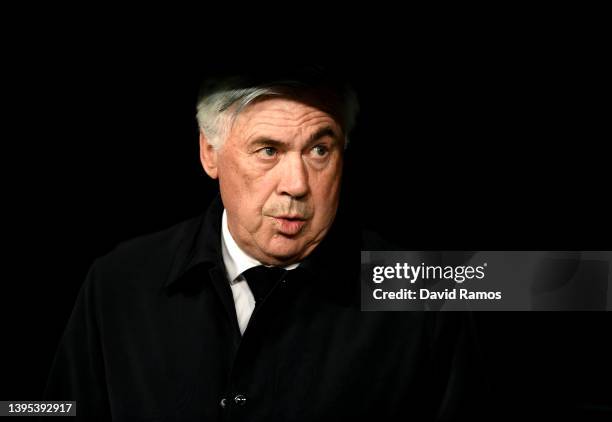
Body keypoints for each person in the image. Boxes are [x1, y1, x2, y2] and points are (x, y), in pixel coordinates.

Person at [44, 66, 486, 421]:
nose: (295, 185)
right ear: (209, 154)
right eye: (268, 151)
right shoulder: (118, 283)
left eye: (319, 150)